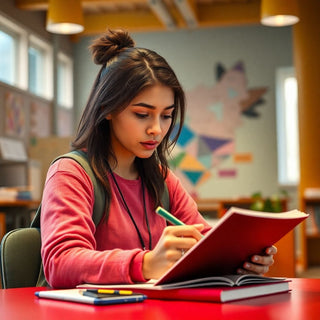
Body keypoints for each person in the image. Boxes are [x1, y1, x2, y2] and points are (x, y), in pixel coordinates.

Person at [40, 29, 277, 289]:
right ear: (107, 109)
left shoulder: (162, 178)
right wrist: (146, 263)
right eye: (143, 114)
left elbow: (204, 240)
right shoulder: (71, 173)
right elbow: (60, 262)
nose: (157, 129)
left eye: (166, 116)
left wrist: (240, 257)